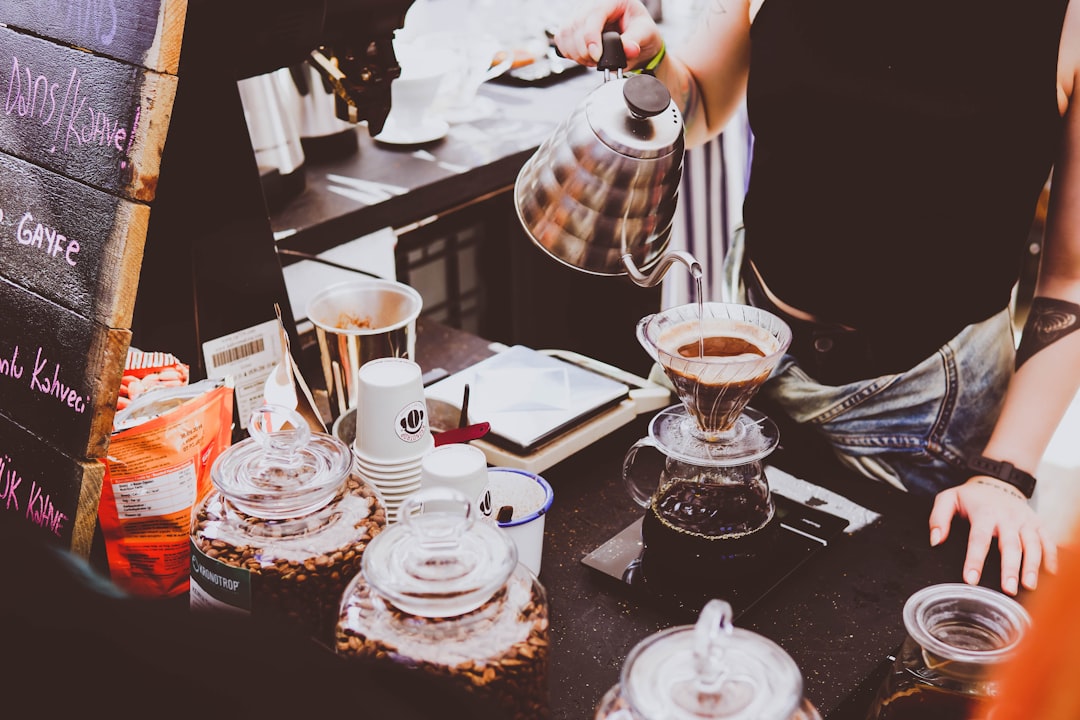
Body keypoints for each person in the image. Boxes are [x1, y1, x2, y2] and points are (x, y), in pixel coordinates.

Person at [554, 0, 1080, 597]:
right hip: (749, 350)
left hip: (922, 408)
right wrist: (648, 58)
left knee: (870, 642)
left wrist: (1001, 477)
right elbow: (697, 101)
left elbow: (1071, 279)